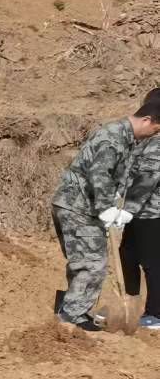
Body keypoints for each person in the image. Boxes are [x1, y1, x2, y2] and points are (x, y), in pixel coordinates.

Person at [51, 92, 160, 333]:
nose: (152, 136)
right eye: (154, 130)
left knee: (84, 261)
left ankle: (70, 311)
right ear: (146, 120)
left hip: (79, 206)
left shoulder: (126, 137)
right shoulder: (113, 138)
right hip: (78, 207)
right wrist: (106, 208)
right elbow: (99, 173)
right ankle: (72, 317)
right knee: (92, 264)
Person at [115, 91, 160, 331]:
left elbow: (147, 180)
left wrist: (126, 210)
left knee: (153, 263)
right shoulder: (147, 140)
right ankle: (130, 304)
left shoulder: (158, 143)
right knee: (127, 254)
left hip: (153, 213)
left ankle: (156, 313)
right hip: (138, 212)